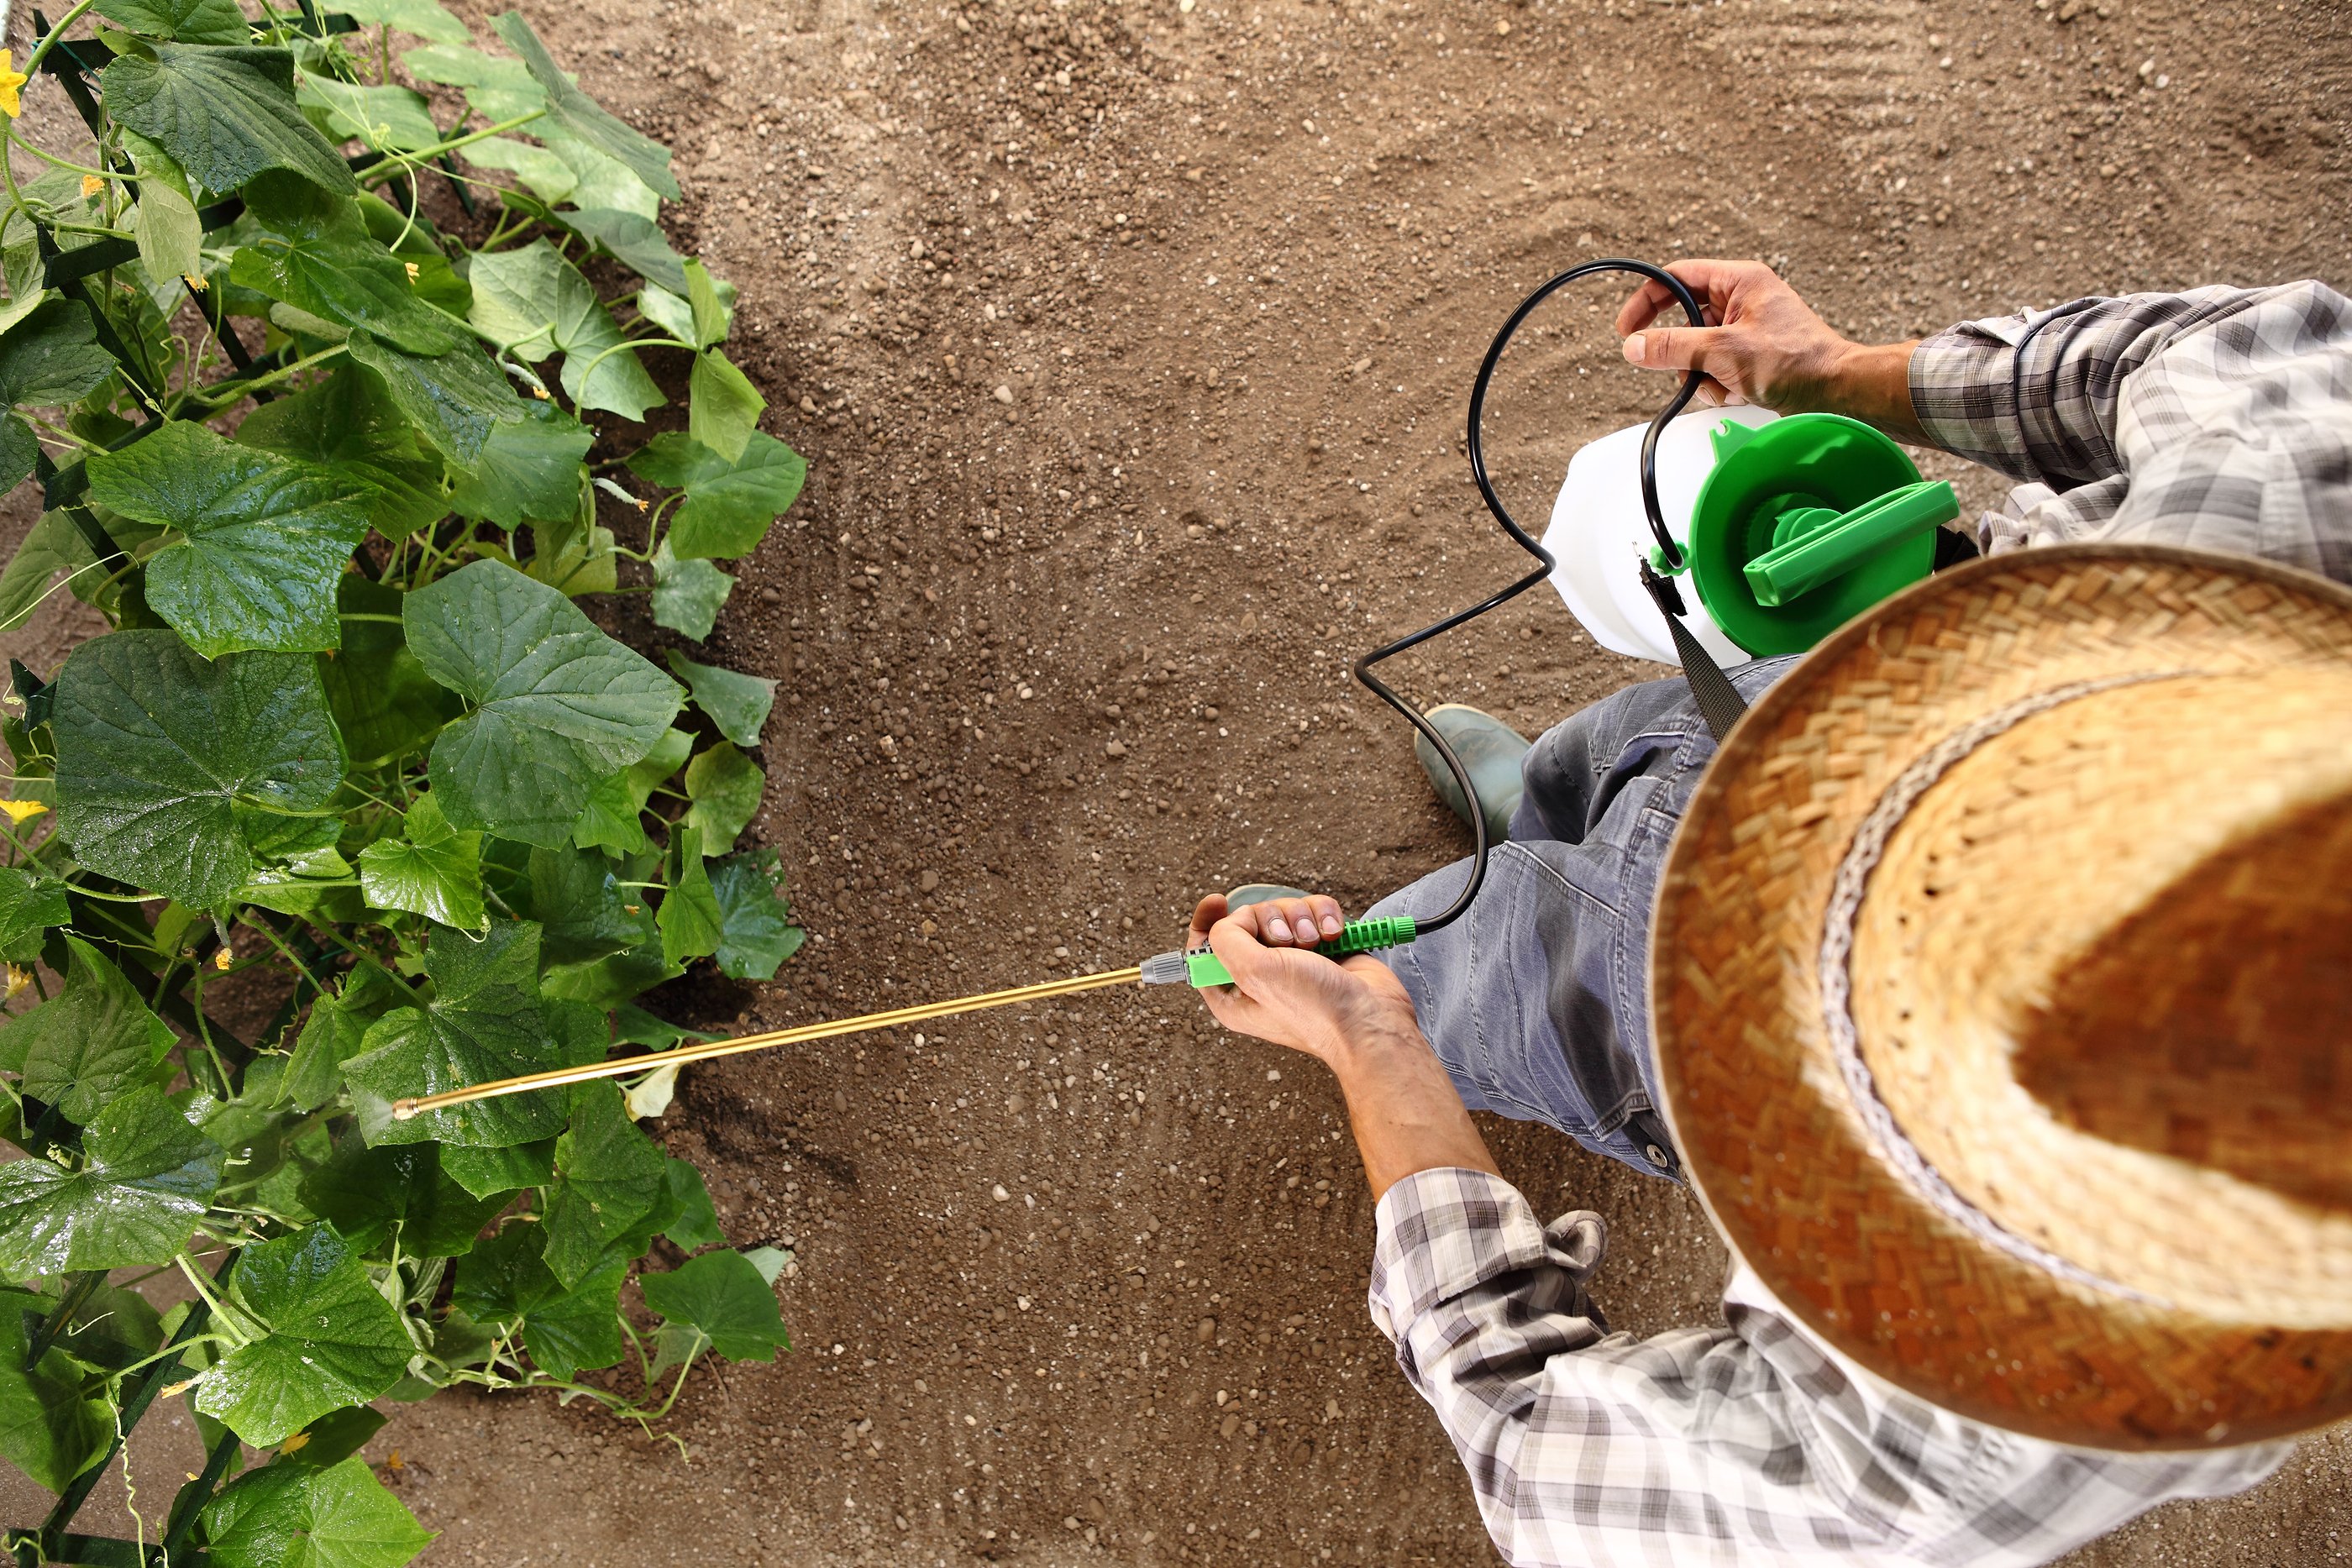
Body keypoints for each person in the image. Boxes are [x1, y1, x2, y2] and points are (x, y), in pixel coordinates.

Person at [1184, 265, 2352, 1566]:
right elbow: (2251, 348)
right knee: (1639, 744)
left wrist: (1375, 1042)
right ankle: (1537, 815)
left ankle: (1472, 946)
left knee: (1468, 972)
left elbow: (1545, 1457)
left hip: (1673, 1001)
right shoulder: (2289, 522)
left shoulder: (2065, 1367)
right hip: (1835, 702)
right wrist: (1830, 374)